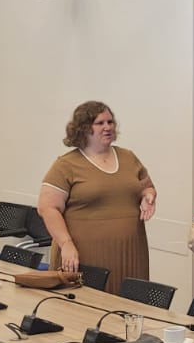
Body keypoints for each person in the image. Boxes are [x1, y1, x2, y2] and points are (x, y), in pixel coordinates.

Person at [37, 102, 156, 295]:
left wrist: (148, 197)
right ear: (83, 128)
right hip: (83, 255)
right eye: (100, 123)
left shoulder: (128, 157)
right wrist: (66, 244)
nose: (107, 127)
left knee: (129, 306)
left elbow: (147, 186)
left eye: (110, 122)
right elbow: (47, 208)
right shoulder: (66, 165)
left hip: (130, 254)